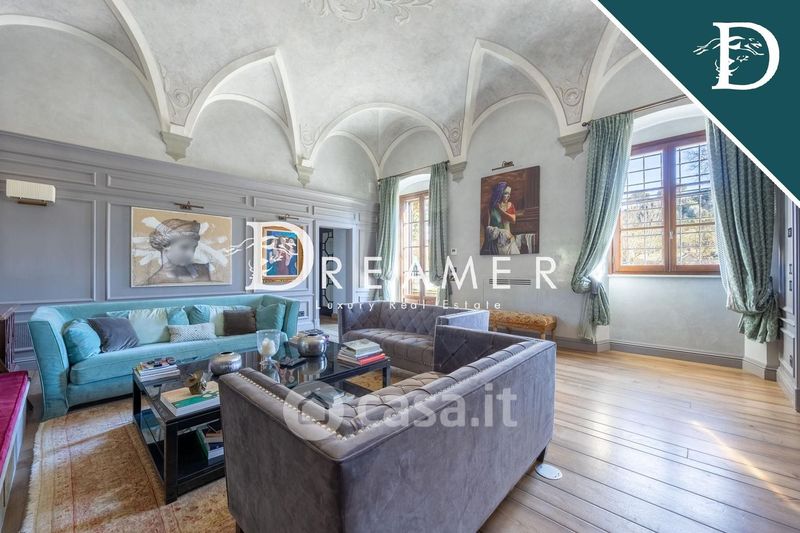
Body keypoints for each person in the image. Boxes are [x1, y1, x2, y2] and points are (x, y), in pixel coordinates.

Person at [147, 218, 212, 284]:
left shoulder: (203, 270)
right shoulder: (155, 282)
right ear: (165, 245)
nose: (190, 254)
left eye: (194, 247)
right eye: (184, 247)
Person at [481, 182, 520, 255]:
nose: (508, 196)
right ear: (500, 193)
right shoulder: (490, 209)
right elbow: (487, 229)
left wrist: (500, 210)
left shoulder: (510, 205)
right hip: (495, 242)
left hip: (508, 241)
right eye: (506, 193)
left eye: (509, 194)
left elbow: (513, 220)